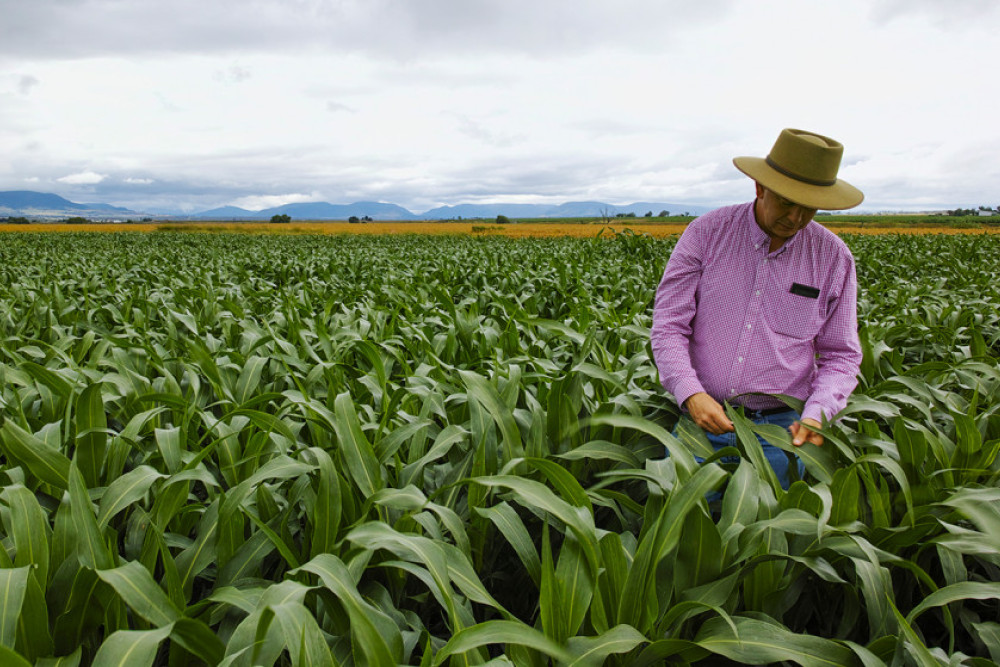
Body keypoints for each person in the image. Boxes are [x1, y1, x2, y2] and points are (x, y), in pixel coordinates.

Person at [650, 128, 864, 488]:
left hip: (782, 431)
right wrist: (690, 393)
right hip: (703, 417)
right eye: (786, 202)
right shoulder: (706, 233)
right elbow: (669, 325)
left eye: (808, 207)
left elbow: (841, 355)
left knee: (769, 533)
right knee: (684, 529)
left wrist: (818, 413)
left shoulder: (833, 258)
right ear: (759, 188)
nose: (795, 218)